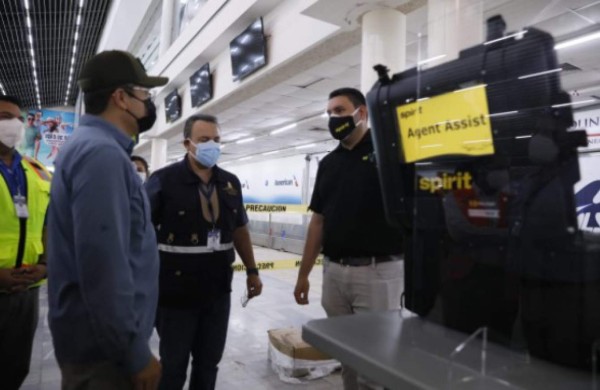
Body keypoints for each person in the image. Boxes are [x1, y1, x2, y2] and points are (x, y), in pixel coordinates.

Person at [46, 50, 168, 389]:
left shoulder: (90, 147)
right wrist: (135, 353)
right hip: (105, 355)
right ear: (121, 98)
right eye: (144, 93)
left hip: (96, 342)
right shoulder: (102, 155)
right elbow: (103, 264)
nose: (148, 101)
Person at [293, 88, 404, 390]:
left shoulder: (391, 154)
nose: (333, 118)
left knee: (375, 364)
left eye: (340, 111)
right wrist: (303, 275)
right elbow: (318, 221)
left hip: (378, 273)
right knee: (347, 358)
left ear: (362, 113)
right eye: (329, 113)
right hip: (335, 274)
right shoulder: (329, 163)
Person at [145, 114, 263, 390]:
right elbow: (138, 231)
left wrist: (252, 270)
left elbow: (240, 230)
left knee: (208, 364)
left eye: (217, 140)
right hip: (175, 294)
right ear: (188, 143)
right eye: (204, 140)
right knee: (173, 367)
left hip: (217, 292)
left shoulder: (229, 183)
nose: (213, 145)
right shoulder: (163, 181)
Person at [0, 95, 51, 390]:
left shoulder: (37, 170)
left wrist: (45, 266)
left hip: (26, 291)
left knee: (14, 369)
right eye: (6, 117)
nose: (15, 125)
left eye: (19, 119)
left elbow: (49, 224)